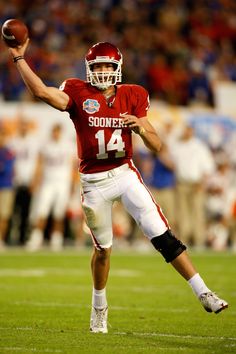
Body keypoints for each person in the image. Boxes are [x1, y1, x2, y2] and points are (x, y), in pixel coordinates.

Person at [7, 39, 228, 333]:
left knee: (161, 234)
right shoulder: (77, 90)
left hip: (124, 173)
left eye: (105, 66)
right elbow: (41, 91)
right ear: (88, 68)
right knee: (103, 251)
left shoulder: (133, 95)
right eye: (95, 65)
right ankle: (99, 307)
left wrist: (141, 128)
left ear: (117, 68)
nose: (100, 71)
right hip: (93, 182)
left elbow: (158, 144)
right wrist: (20, 59)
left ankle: (203, 291)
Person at [25, 123, 77, 251]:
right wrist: (35, 180)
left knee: (58, 213)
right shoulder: (46, 145)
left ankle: (56, 239)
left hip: (62, 183)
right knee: (42, 210)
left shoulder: (68, 146)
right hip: (48, 182)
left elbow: (72, 166)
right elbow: (39, 164)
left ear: (61, 132)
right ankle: (36, 238)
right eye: (54, 131)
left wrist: (72, 184)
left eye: (57, 132)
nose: (55, 134)